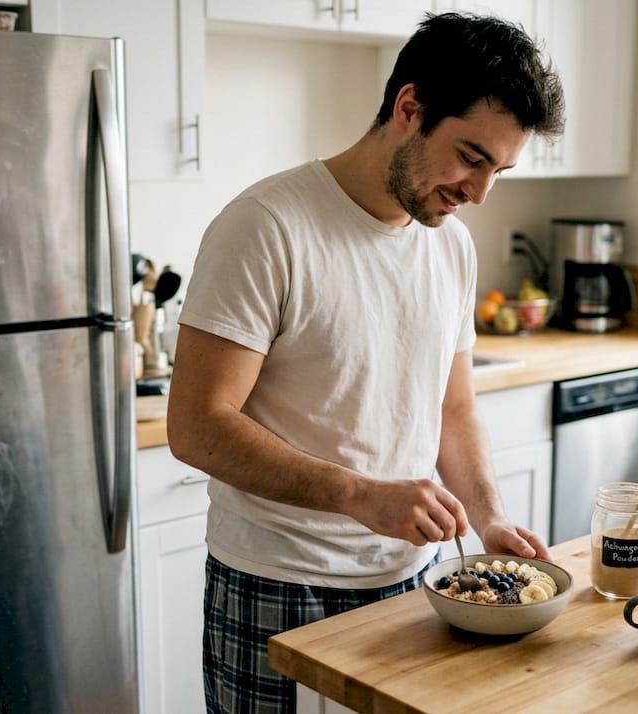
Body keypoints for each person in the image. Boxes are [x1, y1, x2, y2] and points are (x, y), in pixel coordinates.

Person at [166, 11, 565, 714]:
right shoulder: (267, 226)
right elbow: (197, 426)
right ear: (409, 108)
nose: (479, 193)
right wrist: (360, 495)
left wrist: (489, 517)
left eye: (499, 170)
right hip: (278, 585)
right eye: (471, 158)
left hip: (418, 586)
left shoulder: (451, 247)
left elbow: (454, 407)